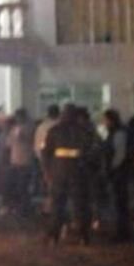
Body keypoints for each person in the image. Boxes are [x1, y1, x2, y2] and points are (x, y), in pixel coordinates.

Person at [42, 104, 94, 246]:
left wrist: (47, 171)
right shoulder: (84, 131)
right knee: (80, 206)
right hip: (78, 172)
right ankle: (84, 237)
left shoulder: (54, 131)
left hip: (58, 172)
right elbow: (91, 153)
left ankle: (54, 236)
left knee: (57, 205)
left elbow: (45, 153)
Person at [102, 109, 132, 241]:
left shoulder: (119, 133)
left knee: (119, 202)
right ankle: (121, 231)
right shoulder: (116, 132)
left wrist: (112, 167)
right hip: (118, 171)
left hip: (118, 173)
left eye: (105, 120)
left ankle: (121, 232)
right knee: (119, 202)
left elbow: (120, 154)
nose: (104, 123)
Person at [4, 109, 35, 217]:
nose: (17, 119)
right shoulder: (14, 129)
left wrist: (21, 136)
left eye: (18, 117)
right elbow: (8, 143)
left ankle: (25, 209)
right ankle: (19, 208)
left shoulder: (29, 127)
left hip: (25, 161)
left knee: (24, 186)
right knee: (17, 186)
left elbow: (29, 139)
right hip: (15, 161)